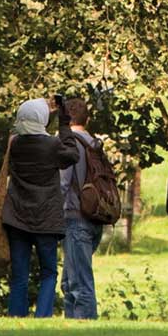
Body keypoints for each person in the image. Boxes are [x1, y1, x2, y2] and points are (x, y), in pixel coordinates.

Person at [0, 98, 82, 318]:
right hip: (46, 218)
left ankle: (16, 315)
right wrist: (64, 124)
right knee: (48, 272)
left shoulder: (14, 144)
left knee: (19, 274)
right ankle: (42, 316)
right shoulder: (52, 146)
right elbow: (72, 155)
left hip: (17, 216)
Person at [58, 95, 106, 320]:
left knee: (78, 282)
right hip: (95, 214)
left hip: (74, 216)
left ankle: (86, 327)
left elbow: (63, 183)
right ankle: (71, 327)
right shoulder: (94, 144)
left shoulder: (69, 144)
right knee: (69, 280)